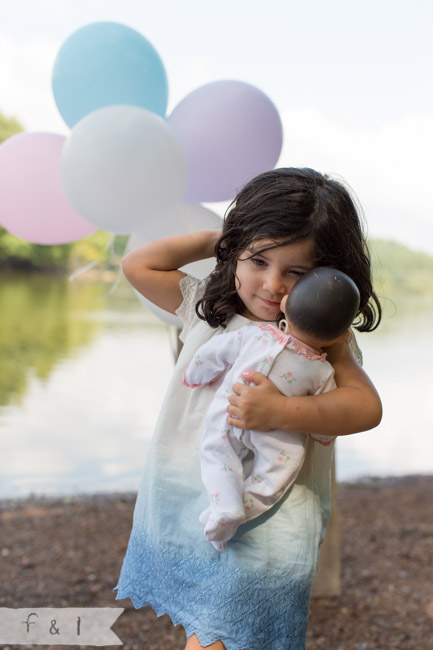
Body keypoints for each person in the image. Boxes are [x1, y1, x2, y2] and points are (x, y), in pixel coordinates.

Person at [115, 168, 382, 650]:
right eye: (258, 260)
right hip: (187, 505)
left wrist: (279, 411)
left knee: (225, 635)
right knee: (206, 627)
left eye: (296, 272)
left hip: (265, 523)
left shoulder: (322, 341)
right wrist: (226, 237)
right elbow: (138, 265)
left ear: (326, 275)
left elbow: (364, 408)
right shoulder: (203, 307)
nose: (271, 284)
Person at [183, 267, 360, 551]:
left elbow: (213, 352)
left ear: (285, 305)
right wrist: (322, 437)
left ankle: (224, 505)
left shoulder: (256, 335)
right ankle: (241, 510)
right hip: (278, 436)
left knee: (216, 453)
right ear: (342, 337)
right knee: (278, 472)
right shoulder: (322, 371)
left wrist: (195, 375)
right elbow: (325, 415)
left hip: (228, 413)